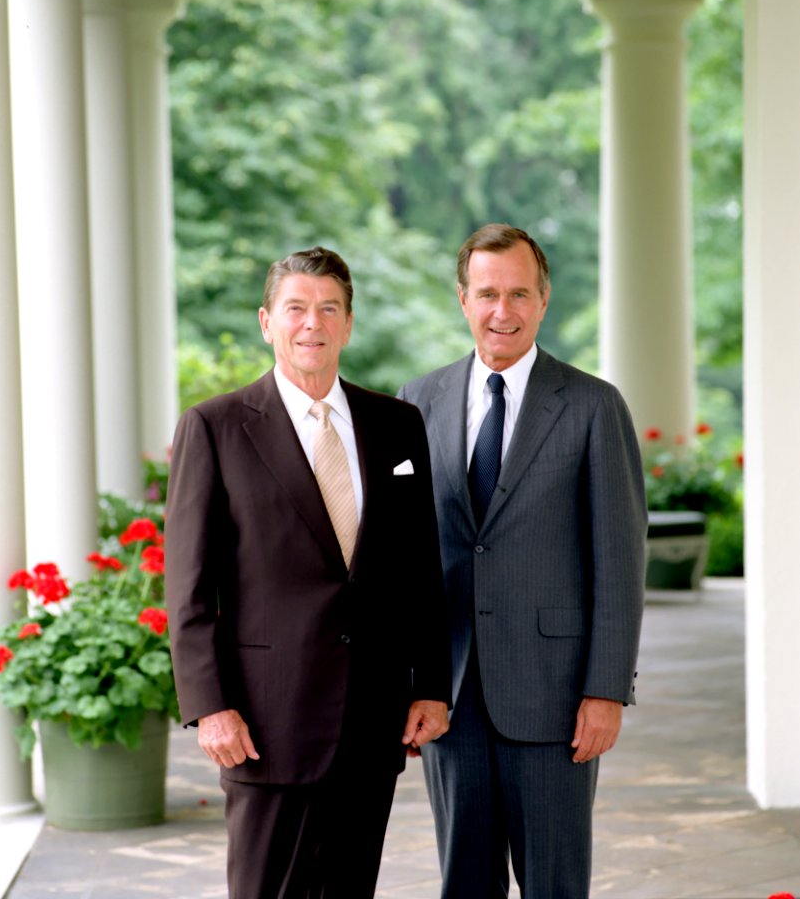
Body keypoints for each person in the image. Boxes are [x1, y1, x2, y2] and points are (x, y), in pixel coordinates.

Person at [165, 246, 451, 899]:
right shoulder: (216, 427)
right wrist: (210, 707)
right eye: (295, 308)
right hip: (266, 722)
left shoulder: (398, 425)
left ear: (348, 324)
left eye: (328, 309)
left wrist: (431, 685)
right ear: (267, 321)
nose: (311, 324)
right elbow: (187, 587)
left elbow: (421, 568)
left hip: (371, 720)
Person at [398, 223, 647, 899]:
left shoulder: (593, 406)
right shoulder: (415, 404)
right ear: (462, 300)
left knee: (554, 884)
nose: (500, 311)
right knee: (464, 882)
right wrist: (408, 682)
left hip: (555, 694)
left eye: (517, 294)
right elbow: (401, 555)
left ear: (542, 301)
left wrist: (605, 690)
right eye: (485, 294)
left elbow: (619, 562)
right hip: (447, 694)